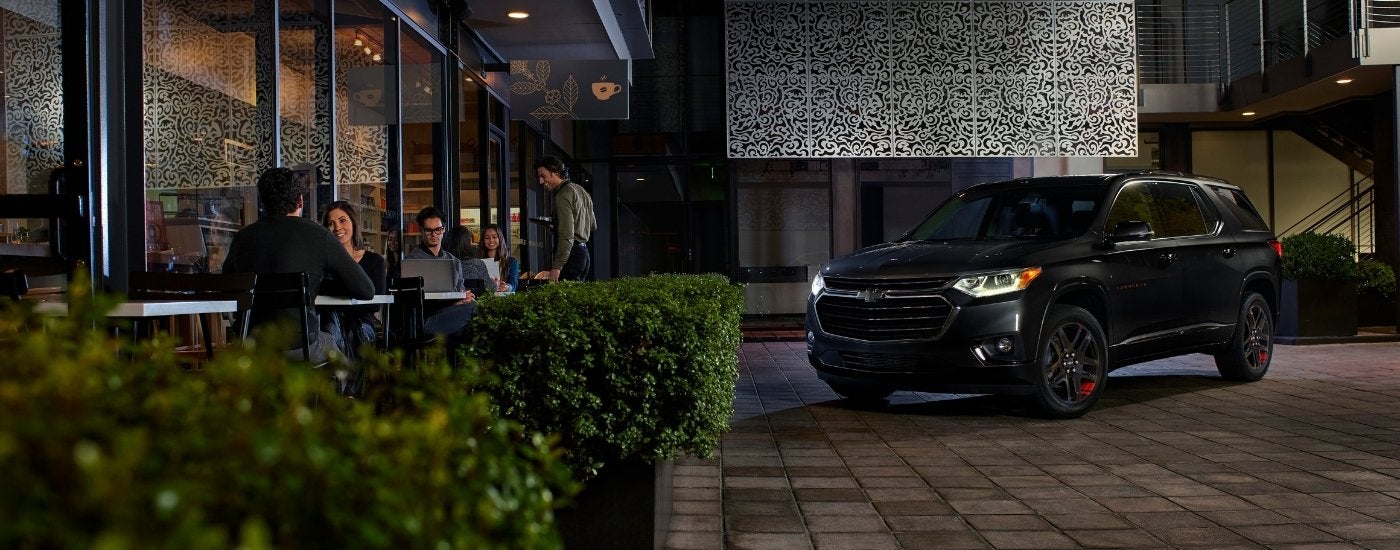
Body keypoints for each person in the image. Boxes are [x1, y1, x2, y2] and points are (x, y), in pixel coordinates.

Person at [223, 167, 374, 363]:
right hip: (300, 346)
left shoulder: (242, 238)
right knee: (343, 362)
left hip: (252, 346)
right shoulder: (319, 235)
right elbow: (366, 290)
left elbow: (228, 288)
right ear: (300, 200)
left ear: (263, 203)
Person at [319, 201, 388, 392]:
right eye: (331, 223)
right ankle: (351, 395)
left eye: (342, 220)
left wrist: (336, 292)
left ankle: (345, 392)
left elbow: (374, 304)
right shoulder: (324, 264)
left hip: (363, 325)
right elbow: (319, 289)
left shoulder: (374, 261)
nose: (337, 228)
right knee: (335, 327)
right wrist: (353, 290)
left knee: (351, 331)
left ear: (353, 223)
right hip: (331, 321)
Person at [403, 206, 476, 341]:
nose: (434, 234)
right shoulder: (411, 261)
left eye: (438, 229)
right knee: (475, 311)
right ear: (421, 231)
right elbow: (407, 302)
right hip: (423, 320)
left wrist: (463, 298)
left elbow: (459, 291)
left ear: (444, 230)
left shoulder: (454, 261)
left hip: (448, 314)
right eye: (429, 230)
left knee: (473, 312)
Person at [535, 155, 596, 281]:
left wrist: (557, 266)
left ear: (555, 173)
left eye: (543, 176)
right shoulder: (581, 190)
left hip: (570, 256)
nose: (540, 181)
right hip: (584, 254)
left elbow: (567, 234)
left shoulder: (562, 195)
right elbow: (593, 225)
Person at [477, 224, 519, 293]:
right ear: (483, 241)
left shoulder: (512, 262)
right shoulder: (477, 261)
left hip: (502, 298)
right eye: (487, 238)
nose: (491, 240)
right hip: (482, 297)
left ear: (500, 238)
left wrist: (507, 287)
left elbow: (514, 285)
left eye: (494, 237)